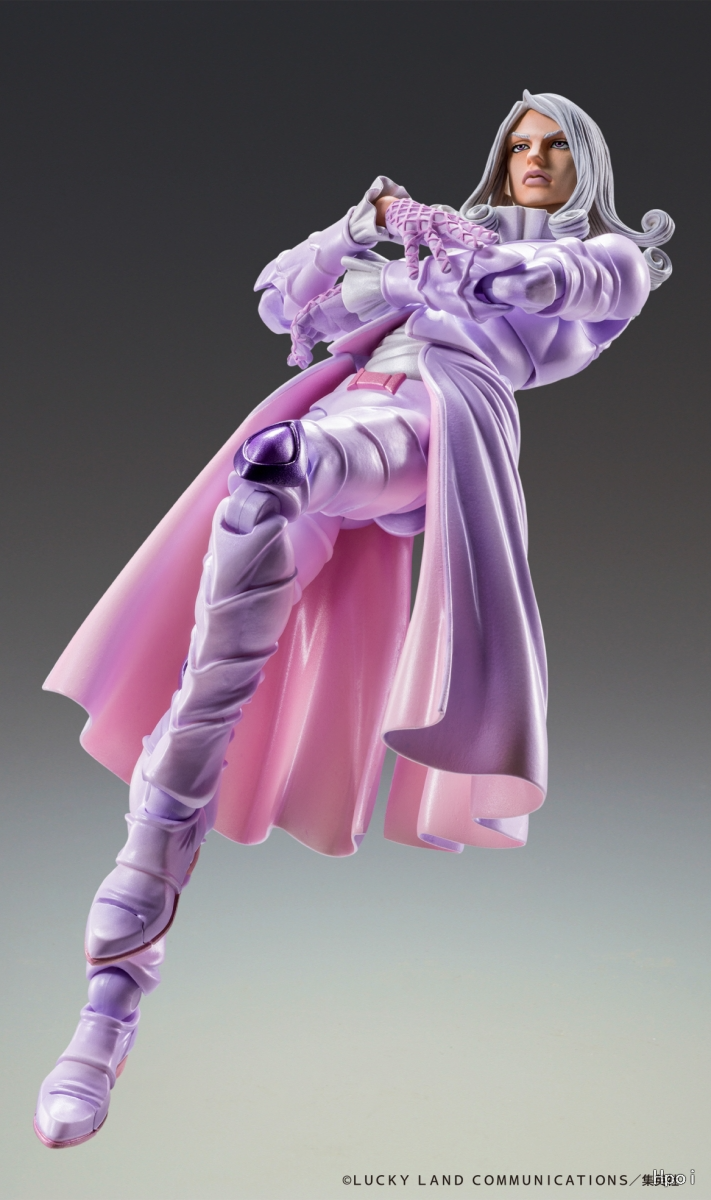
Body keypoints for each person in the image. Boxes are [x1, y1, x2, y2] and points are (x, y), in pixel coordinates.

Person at [34, 90, 673, 1148]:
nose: (534, 157)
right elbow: (284, 298)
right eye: (519, 143)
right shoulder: (428, 237)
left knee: (292, 465)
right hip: (340, 401)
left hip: (433, 425)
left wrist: (449, 254)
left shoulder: (606, 257)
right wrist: (360, 224)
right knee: (204, 691)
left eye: (556, 145)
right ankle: (108, 1010)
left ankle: (110, 998)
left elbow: (553, 283)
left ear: (586, 163)